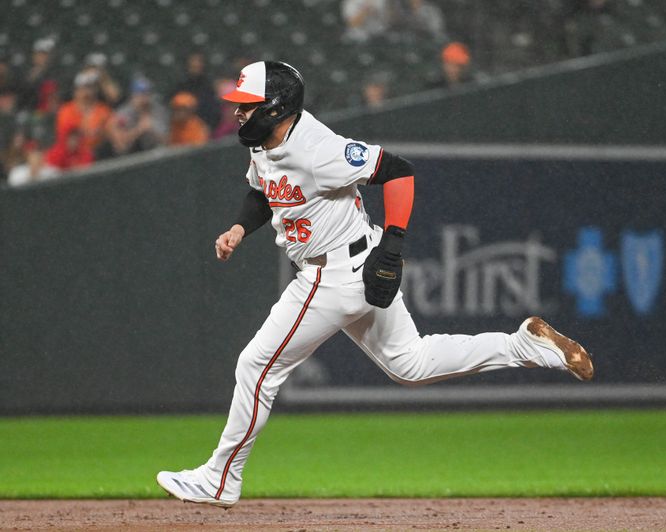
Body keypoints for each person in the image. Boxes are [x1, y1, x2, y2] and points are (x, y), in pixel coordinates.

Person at [156, 61, 594, 508]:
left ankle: (220, 477)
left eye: (247, 107)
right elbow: (263, 192)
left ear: (275, 107)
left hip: (334, 275)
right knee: (411, 364)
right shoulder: (263, 141)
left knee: (256, 366)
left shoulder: (317, 148)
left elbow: (398, 171)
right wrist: (238, 229)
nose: (238, 114)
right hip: (344, 267)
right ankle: (524, 346)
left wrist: (393, 245)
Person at [103, 76, 168, 157]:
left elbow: (167, 141)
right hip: (130, 157)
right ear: (133, 96)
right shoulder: (122, 114)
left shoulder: (158, 110)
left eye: (147, 93)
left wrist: (152, 130)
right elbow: (120, 147)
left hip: (154, 155)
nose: (145, 98)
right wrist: (139, 129)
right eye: (141, 94)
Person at [54, 70, 112, 157]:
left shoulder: (103, 109)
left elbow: (111, 131)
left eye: (90, 88)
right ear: (76, 91)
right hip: (74, 155)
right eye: (83, 88)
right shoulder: (66, 110)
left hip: (101, 153)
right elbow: (66, 137)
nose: (87, 92)